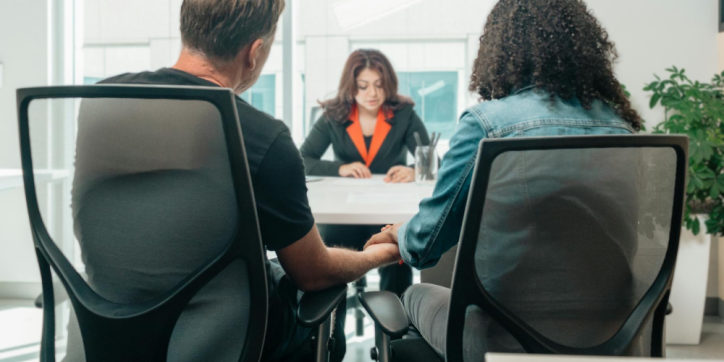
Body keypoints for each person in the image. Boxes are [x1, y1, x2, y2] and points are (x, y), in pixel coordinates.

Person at [64, 1, 401, 362]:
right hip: (225, 342)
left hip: (105, 332)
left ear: (188, 27)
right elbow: (314, 275)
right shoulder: (260, 137)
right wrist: (377, 255)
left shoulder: (103, 103)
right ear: (254, 52)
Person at [365, 0, 643, 359]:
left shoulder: (489, 126)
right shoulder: (621, 128)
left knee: (414, 294)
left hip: (506, 340)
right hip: (614, 334)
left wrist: (397, 232)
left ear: (501, 50)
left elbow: (425, 243)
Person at [299, 49, 431, 296]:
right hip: (344, 215)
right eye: (363, 86)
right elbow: (303, 159)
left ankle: (394, 331)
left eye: (379, 85)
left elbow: (432, 162)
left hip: (387, 216)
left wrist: (414, 171)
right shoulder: (334, 114)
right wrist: (340, 168)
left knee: (398, 255)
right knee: (326, 262)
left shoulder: (404, 114)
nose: (372, 93)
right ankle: (328, 332)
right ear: (351, 86)